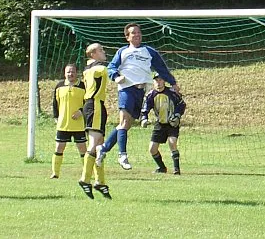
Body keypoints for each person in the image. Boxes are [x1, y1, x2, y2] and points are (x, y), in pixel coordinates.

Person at [96, 22, 180, 170]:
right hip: (126, 89)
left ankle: (103, 148)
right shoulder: (123, 51)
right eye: (133, 33)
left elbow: (162, 68)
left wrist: (173, 82)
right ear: (127, 37)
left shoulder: (149, 51)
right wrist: (116, 77)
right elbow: (111, 67)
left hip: (140, 92)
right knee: (124, 121)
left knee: (126, 125)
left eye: (138, 32)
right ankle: (122, 155)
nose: (137, 35)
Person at [78, 43, 111, 199]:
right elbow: (107, 70)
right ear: (92, 54)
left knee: (99, 145)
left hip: (94, 105)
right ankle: (85, 179)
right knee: (94, 143)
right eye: (101, 50)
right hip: (95, 105)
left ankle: (100, 181)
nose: (104, 52)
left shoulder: (88, 69)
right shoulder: (98, 68)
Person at [140, 73, 186, 175]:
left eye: (160, 80)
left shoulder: (172, 93)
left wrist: (177, 115)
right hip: (160, 123)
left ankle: (176, 169)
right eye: (156, 80)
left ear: (164, 81)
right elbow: (145, 108)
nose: (158, 83)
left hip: (172, 123)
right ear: (153, 82)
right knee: (152, 148)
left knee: (172, 142)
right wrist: (144, 118)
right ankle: (161, 168)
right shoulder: (151, 95)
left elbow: (181, 104)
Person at [50, 64, 87, 179]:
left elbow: (88, 102)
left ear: (77, 73)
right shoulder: (59, 86)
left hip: (78, 124)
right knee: (59, 147)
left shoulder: (82, 86)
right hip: (63, 124)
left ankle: (88, 172)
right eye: (68, 72)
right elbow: (55, 104)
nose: (70, 74)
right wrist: (56, 117)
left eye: (73, 72)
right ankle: (55, 173)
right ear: (64, 73)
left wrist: (81, 112)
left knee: (82, 148)